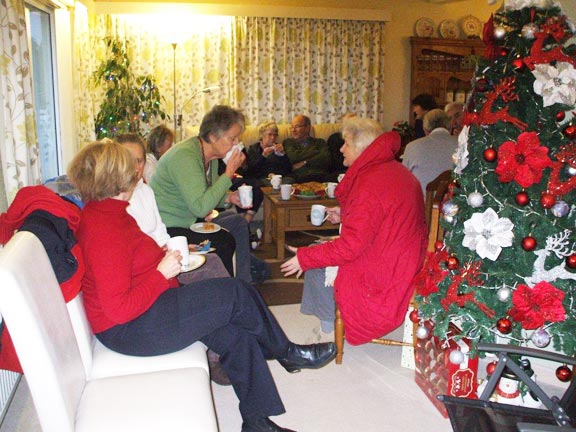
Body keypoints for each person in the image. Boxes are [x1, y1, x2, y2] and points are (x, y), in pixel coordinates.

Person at [68, 140, 337, 432]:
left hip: (149, 309)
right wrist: (161, 273)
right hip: (131, 329)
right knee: (235, 292)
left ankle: (257, 422)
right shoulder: (104, 229)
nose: (137, 170)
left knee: (237, 335)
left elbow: (132, 262)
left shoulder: (110, 212)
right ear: (115, 178)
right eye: (129, 167)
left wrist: (163, 259)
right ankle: (286, 352)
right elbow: (118, 309)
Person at [281, 117, 427, 344]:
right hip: (404, 256)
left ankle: (328, 330)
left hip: (387, 269)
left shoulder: (370, 183)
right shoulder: (393, 170)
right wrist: (345, 214)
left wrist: (304, 258)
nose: (341, 149)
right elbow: (382, 216)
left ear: (361, 148)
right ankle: (328, 322)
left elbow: (351, 246)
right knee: (317, 252)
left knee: (315, 262)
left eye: (346, 143)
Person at [149, 105, 258, 283]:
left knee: (237, 223)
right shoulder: (185, 157)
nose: (237, 143)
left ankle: (244, 284)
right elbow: (201, 207)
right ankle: (225, 295)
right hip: (170, 227)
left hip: (191, 220)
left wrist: (229, 197)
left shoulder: (210, 157)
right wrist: (229, 173)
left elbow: (208, 193)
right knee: (223, 241)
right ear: (213, 136)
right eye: (232, 138)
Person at [115, 133, 229, 285]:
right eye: (128, 161)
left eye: (139, 161)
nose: (135, 168)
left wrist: (177, 249)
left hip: (163, 257)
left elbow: (160, 231)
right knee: (215, 264)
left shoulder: (145, 191)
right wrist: (165, 255)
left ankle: (231, 299)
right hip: (152, 269)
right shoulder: (115, 199)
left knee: (213, 257)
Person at [402, 108, 458, 196]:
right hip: (454, 206)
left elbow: (404, 181)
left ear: (425, 130)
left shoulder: (412, 147)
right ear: (450, 127)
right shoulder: (462, 145)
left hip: (421, 205)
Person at [282, 114, 331, 183]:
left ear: (307, 128)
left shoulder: (320, 142)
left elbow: (326, 159)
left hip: (320, 176)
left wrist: (305, 162)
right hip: (299, 177)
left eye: (297, 126)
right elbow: (293, 157)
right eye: (292, 127)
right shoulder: (288, 142)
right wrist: (315, 152)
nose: (293, 130)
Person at [325, 113, 356, 181]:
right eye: (347, 123)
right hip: (340, 171)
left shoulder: (361, 139)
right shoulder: (334, 138)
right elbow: (334, 162)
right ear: (342, 125)